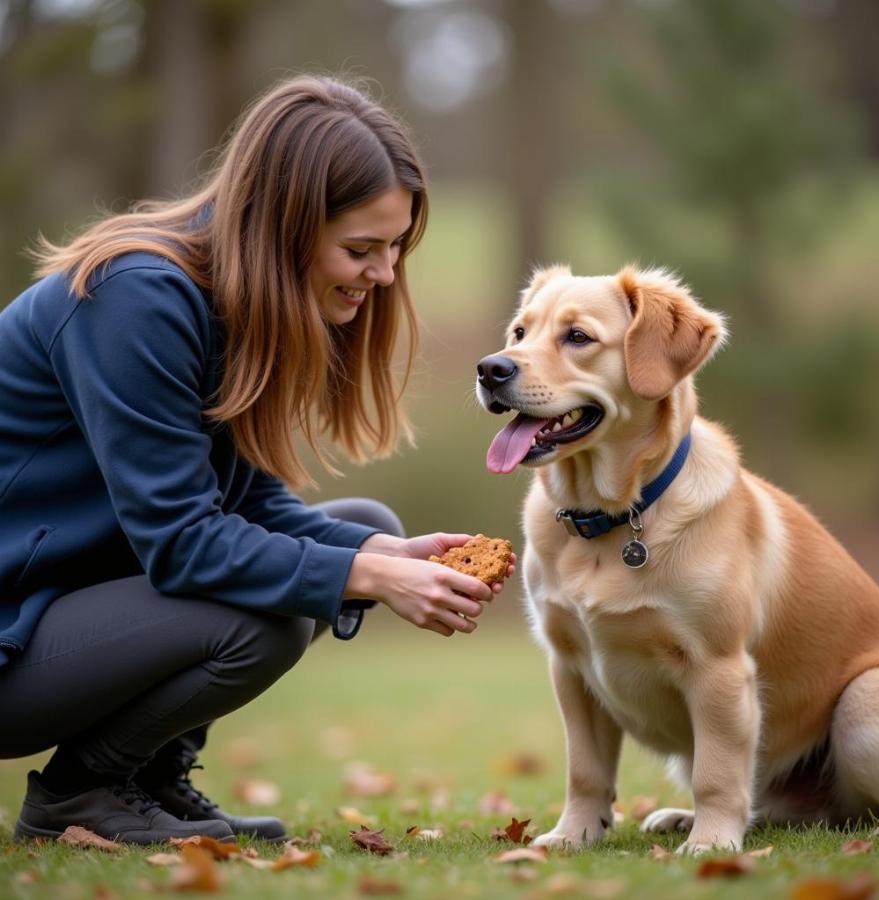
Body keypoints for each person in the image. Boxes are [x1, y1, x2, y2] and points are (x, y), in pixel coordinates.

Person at [0, 75, 513, 845]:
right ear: (282, 225)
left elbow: (247, 506)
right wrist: (362, 575)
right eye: (360, 249)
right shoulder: (136, 298)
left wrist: (384, 555)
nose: (384, 275)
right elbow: (182, 543)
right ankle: (79, 795)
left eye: (396, 248)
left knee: (363, 526)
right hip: (15, 630)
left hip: (69, 608)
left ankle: (146, 778)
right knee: (269, 617)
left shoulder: (236, 304)